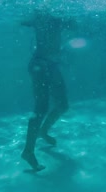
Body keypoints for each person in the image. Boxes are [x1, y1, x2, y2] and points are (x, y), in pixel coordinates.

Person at [20, 10, 75, 171]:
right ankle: (28, 151)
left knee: (63, 105)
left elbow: (73, 25)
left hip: (51, 65)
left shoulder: (57, 15)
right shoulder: (42, 14)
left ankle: (43, 131)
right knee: (40, 109)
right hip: (40, 65)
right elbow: (22, 20)